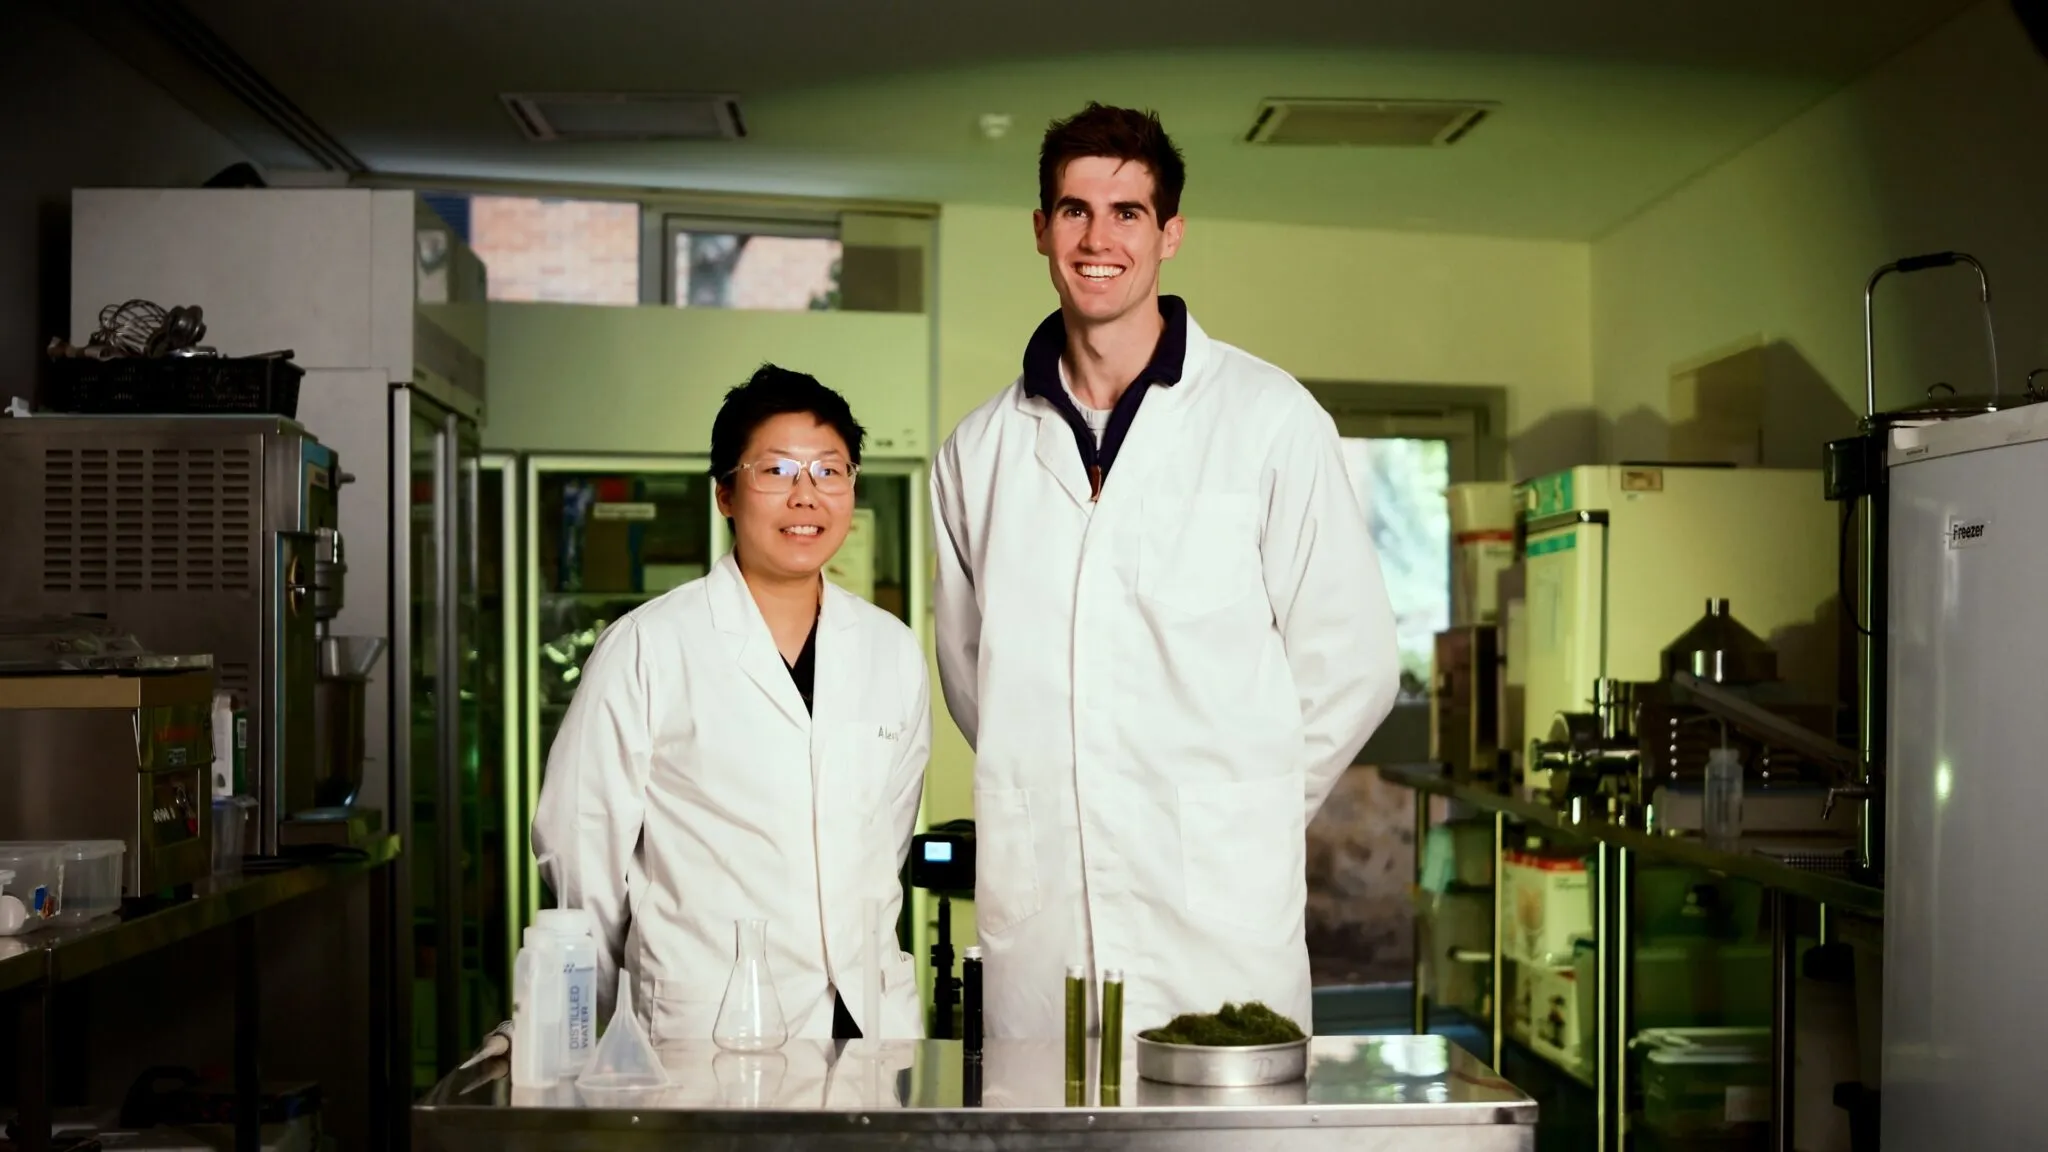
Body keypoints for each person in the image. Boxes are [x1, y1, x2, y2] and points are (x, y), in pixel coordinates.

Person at [930, 103, 1401, 1040]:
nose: (1098, 239)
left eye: (1127, 213)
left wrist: (1242, 811)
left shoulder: (1268, 419)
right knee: (1049, 1108)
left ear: (1169, 234)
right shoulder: (978, 452)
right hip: (1047, 917)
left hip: (1218, 912)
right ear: (1041, 230)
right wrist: (1069, 781)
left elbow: (1354, 665)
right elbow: (973, 673)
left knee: (1224, 1107)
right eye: (1074, 211)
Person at [531, 363, 932, 1045]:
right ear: (725, 493)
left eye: (829, 472)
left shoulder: (890, 651)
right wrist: (603, 1018)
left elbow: (884, 842)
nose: (806, 496)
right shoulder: (648, 646)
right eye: (776, 471)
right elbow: (580, 851)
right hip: (704, 1023)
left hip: (866, 1022)